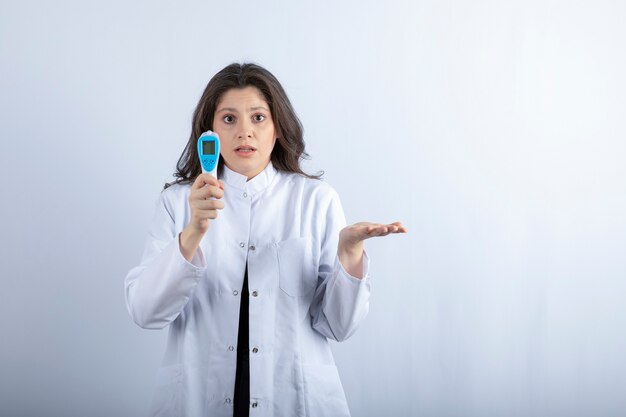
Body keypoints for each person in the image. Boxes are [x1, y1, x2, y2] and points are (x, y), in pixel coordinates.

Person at [124, 62, 406, 417]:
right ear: (208, 132)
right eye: (229, 119)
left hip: (296, 400)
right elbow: (145, 312)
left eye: (258, 118)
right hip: (195, 400)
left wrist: (349, 255)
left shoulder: (315, 200)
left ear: (277, 129)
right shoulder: (177, 202)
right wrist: (192, 232)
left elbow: (338, 326)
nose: (245, 133)